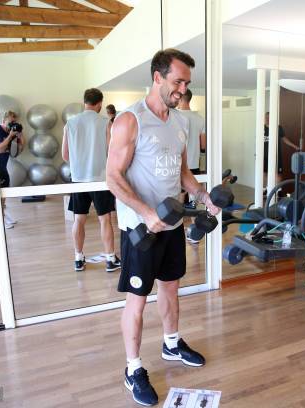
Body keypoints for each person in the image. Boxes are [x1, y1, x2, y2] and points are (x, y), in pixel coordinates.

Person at [107, 48, 220, 406]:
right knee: (137, 303)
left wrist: (202, 195)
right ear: (157, 78)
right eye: (177, 82)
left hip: (171, 225)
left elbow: (181, 171)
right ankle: (133, 368)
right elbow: (112, 176)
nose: (183, 90)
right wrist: (144, 212)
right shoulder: (130, 120)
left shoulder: (181, 122)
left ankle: (171, 344)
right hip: (141, 231)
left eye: (186, 83)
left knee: (171, 290)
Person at [62, 88, 120, 273]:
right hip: (99, 179)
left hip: (78, 179)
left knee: (78, 220)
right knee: (105, 220)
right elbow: (112, 153)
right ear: (100, 103)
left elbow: (65, 156)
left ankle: (78, 258)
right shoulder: (106, 122)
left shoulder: (70, 124)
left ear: (84, 101)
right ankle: (110, 259)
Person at [176, 89, 205, 213]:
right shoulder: (200, 119)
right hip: (193, 163)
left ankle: (178, 227)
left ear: (181, 98)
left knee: (179, 198)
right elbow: (203, 145)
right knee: (193, 199)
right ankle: (194, 229)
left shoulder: (173, 116)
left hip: (178, 164)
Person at [0, 110, 24, 228]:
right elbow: (0, 149)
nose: (13, 124)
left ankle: (2, 216)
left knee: (3, 193)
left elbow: (19, 150)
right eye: (11, 122)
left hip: (3, 166)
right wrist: (10, 136)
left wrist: (20, 135)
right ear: (4, 121)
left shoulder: (11, 132)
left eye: (14, 122)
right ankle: (0, 220)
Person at [263, 111, 299, 187]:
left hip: (276, 155)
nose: (267, 119)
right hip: (264, 156)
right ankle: (265, 190)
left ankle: (277, 191)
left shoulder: (278, 128)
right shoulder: (261, 128)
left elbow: (284, 139)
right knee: (264, 172)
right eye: (266, 117)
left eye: (269, 118)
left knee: (278, 173)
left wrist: (294, 146)